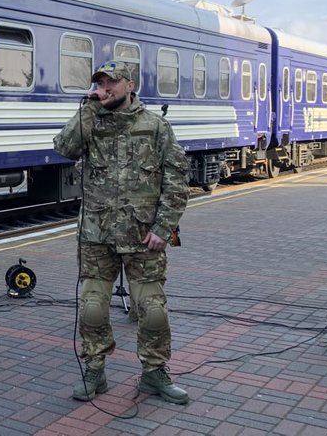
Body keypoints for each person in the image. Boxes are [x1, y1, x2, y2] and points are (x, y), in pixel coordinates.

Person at [53, 60, 190, 405]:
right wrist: (87, 107)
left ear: (129, 85)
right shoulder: (91, 121)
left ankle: (155, 374)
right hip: (97, 234)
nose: (104, 89)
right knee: (92, 308)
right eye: (99, 83)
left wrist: (164, 226)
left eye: (110, 83)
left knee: (153, 310)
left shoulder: (156, 126)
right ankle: (95, 370)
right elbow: (63, 148)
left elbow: (176, 181)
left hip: (145, 237)